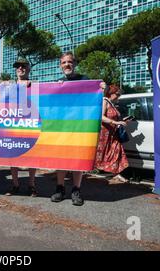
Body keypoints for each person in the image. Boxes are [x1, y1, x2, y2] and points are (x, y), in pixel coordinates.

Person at [51, 52, 90, 206]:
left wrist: (101, 87)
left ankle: (76, 190)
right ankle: (60, 188)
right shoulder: (57, 82)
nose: (67, 64)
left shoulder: (85, 80)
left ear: (75, 64)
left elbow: (95, 95)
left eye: (70, 62)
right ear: (60, 65)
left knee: (77, 159)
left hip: (80, 127)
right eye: (64, 62)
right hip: (62, 127)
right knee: (61, 159)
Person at [5, 58, 37, 197]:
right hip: (13, 125)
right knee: (13, 156)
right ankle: (15, 184)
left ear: (29, 68)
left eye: (23, 66)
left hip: (30, 125)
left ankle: (31, 185)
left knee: (32, 155)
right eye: (17, 66)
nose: (20, 68)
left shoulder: (35, 85)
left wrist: (32, 86)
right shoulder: (9, 85)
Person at [94, 85, 131, 181]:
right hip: (104, 134)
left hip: (112, 134)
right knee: (102, 154)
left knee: (118, 151)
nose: (119, 96)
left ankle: (116, 173)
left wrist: (123, 121)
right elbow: (101, 117)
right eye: (117, 94)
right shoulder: (105, 101)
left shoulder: (112, 103)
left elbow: (115, 117)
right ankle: (96, 170)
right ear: (111, 93)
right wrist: (115, 122)